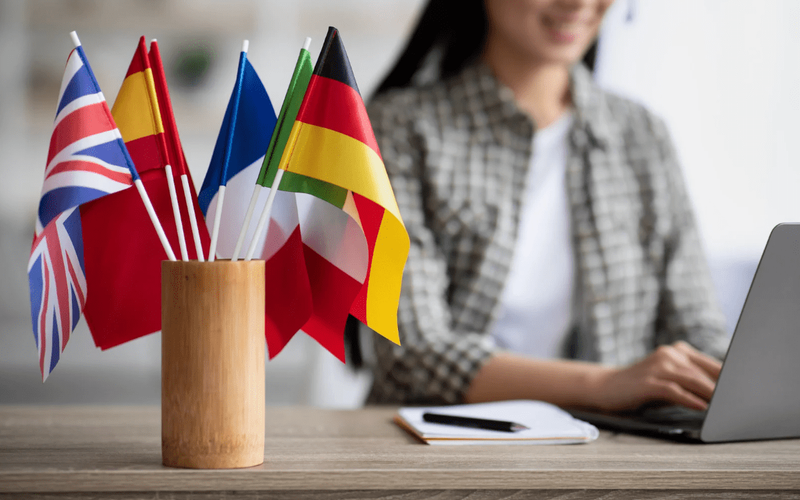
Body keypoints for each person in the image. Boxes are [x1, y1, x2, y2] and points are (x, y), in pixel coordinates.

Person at [363, 0, 730, 411]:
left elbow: (697, 329)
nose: (579, 4)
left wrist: (741, 378)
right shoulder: (399, 128)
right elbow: (413, 351)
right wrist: (606, 385)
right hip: (436, 445)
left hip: (611, 453)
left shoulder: (642, 134)